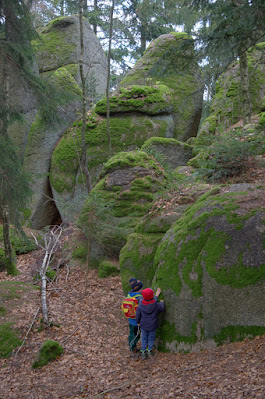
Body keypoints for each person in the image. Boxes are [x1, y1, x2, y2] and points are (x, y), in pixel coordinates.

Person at [136, 287, 165, 359]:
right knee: (151, 338)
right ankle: (149, 350)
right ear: (152, 296)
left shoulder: (141, 304)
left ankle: (143, 351)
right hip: (153, 325)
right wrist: (162, 302)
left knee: (144, 338)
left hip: (144, 325)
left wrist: (138, 322)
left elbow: (138, 314)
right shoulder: (155, 304)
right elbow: (161, 308)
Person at [127, 278, 143, 356]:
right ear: (139, 289)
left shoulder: (129, 294)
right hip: (137, 321)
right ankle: (132, 347)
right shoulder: (139, 298)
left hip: (130, 319)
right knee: (136, 335)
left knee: (132, 333)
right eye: (141, 288)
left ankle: (132, 345)